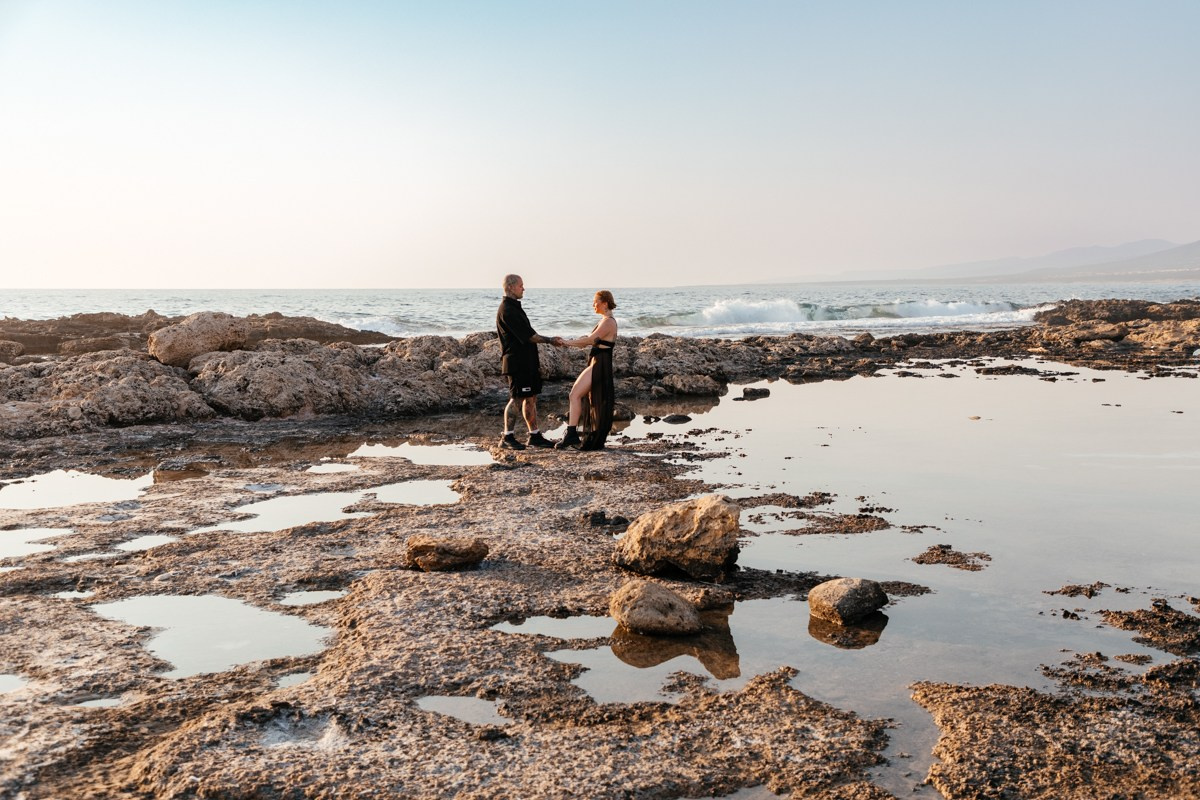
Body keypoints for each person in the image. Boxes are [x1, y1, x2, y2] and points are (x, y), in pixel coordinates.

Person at [496, 274, 561, 449]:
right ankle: (507, 437)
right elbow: (530, 336)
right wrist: (550, 340)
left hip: (527, 361)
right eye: (520, 286)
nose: (523, 288)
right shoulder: (507, 310)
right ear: (510, 287)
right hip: (517, 363)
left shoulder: (515, 307)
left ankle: (534, 436)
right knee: (517, 398)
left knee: (531, 397)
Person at [556, 290, 618, 451]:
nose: (593, 305)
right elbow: (586, 343)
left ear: (605, 303)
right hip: (596, 362)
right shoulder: (604, 320)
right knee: (580, 396)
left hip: (600, 364)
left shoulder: (609, 322)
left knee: (575, 395)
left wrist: (567, 342)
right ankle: (571, 433)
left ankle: (571, 434)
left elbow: (590, 340)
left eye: (595, 302)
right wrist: (566, 343)